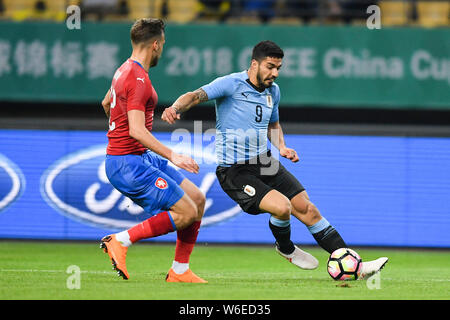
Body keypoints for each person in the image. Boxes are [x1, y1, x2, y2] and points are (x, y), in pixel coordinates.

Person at [162, 40, 388, 279]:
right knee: (282, 208)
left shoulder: (273, 92)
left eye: (278, 68)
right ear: (254, 64)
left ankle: (358, 267)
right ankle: (286, 247)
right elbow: (195, 95)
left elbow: (273, 124)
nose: (275, 73)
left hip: (265, 162)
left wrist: (281, 146)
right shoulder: (231, 83)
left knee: (307, 209)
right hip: (235, 171)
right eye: (270, 67)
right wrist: (176, 107)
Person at [100, 18, 207, 283]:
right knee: (186, 213)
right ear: (156, 45)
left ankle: (180, 270)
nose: (163, 50)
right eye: (163, 45)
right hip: (127, 163)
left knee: (197, 200)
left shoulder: (123, 69)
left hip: (136, 156)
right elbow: (136, 130)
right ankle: (121, 241)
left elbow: (106, 103)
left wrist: (118, 134)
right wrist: (174, 155)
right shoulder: (137, 79)